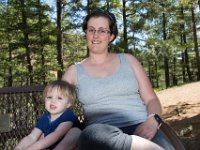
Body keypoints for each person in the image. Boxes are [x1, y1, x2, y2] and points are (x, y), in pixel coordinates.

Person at [62, 10, 174, 150]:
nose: (95, 35)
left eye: (102, 31)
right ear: (86, 34)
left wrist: (153, 121)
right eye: (91, 30)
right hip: (101, 136)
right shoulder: (74, 71)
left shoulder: (129, 60)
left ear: (111, 36)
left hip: (142, 127)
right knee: (90, 135)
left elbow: (151, 100)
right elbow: (58, 106)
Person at [14, 80, 80, 150]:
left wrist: (32, 148)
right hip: (52, 145)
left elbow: (56, 135)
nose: (53, 101)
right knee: (40, 137)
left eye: (59, 98)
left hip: (74, 146)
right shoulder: (45, 118)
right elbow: (32, 137)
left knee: (75, 133)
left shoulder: (68, 115)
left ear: (68, 104)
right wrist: (19, 147)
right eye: (49, 97)